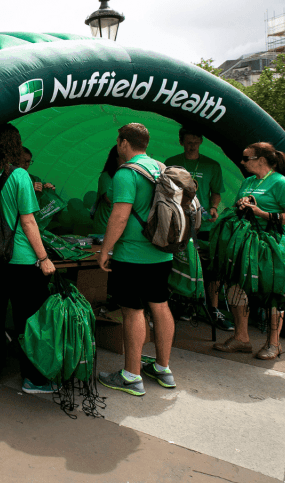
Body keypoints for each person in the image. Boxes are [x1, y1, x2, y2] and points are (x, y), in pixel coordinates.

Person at [0, 123, 56, 394]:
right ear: (15, 147)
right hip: (19, 260)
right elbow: (29, 222)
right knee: (27, 320)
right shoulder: (19, 176)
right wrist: (43, 258)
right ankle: (33, 379)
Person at [97, 123, 176, 397]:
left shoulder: (126, 173)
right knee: (161, 306)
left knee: (133, 311)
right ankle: (163, 368)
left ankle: (131, 376)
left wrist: (105, 250)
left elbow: (119, 216)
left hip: (132, 254)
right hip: (163, 251)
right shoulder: (162, 168)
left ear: (122, 142)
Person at [213, 142, 285, 360]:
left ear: (261, 160)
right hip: (246, 244)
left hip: (271, 245)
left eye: (246, 158)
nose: (242, 162)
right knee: (235, 287)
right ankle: (241, 339)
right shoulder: (248, 181)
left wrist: (263, 213)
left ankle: (274, 344)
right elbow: (238, 208)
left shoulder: (282, 183)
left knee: (272, 294)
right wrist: (241, 205)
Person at [164, 128, 231, 331]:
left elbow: (217, 192)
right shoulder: (171, 162)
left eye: (196, 141)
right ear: (181, 142)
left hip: (205, 225)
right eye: (188, 141)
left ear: (201, 141)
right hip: (179, 224)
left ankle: (213, 308)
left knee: (210, 269)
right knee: (181, 264)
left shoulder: (212, 165)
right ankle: (185, 304)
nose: (192, 145)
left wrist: (213, 208)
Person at [92, 146, 124, 233]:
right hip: (104, 227)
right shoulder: (106, 176)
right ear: (116, 158)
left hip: (119, 228)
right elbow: (110, 200)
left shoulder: (127, 176)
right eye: (124, 158)